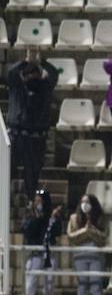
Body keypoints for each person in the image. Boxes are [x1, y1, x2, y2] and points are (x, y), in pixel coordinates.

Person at [6, 50, 59, 194]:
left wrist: (42, 62)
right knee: (6, 171)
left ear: (39, 74)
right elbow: (11, 72)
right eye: (27, 74)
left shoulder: (45, 88)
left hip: (35, 139)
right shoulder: (16, 87)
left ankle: (31, 200)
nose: (31, 76)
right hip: (16, 137)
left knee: (32, 174)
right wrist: (25, 60)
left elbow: (54, 74)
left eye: (34, 73)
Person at [20, 191, 63, 295]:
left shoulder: (52, 216)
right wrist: (37, 219)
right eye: (36, 200)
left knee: (49, 284)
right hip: (34, 254)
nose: (37, 203)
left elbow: (57, 232)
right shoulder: (29, 214)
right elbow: (27, 232)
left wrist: (52, 219)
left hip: (49, 253)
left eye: (40, 201)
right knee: (30, 284)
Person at [67, 193, 108, 295]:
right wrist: (85, 231)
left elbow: (103, 238)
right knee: (82, 285)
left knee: (96, 286)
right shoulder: (74, 218)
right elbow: (71, 237)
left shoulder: (101, 218)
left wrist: (92, 230)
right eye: (83, 202)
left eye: (88, 202)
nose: (85, 204)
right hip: (80, 256)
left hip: (96, 256)